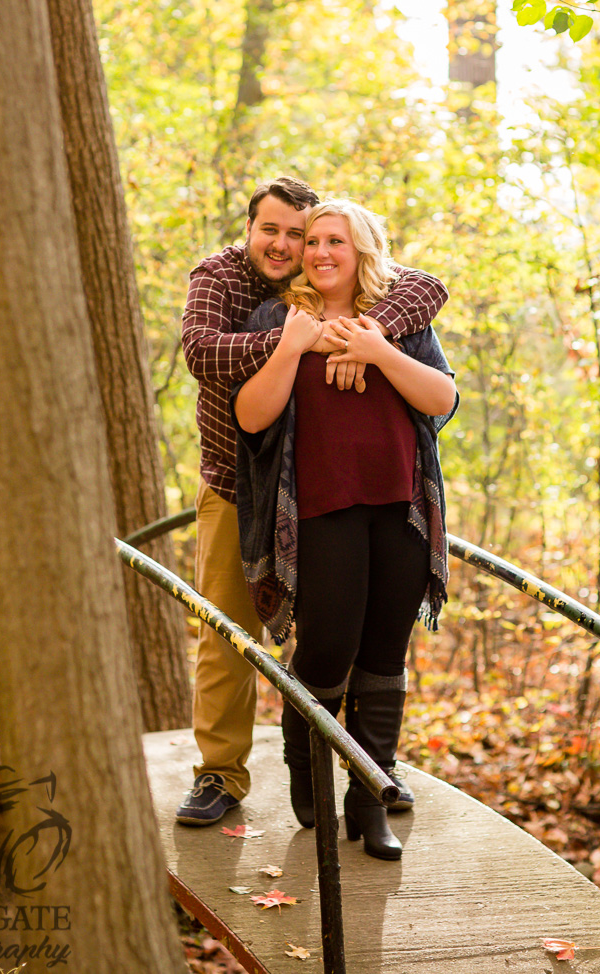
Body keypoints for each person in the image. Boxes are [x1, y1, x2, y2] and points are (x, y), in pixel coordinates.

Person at [177, 177, 449, 826]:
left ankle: (370, 784)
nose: (292, 246)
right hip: (242, 485)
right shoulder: (230, 286)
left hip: (378, 507)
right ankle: (223, 773)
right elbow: (204, 354)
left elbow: (426, 292)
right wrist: (297, 342)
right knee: (235, 636)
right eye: (274, 231)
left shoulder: (384, 308)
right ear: (249, 230)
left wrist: (370, 338)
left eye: (305, 236)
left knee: (378, 648)